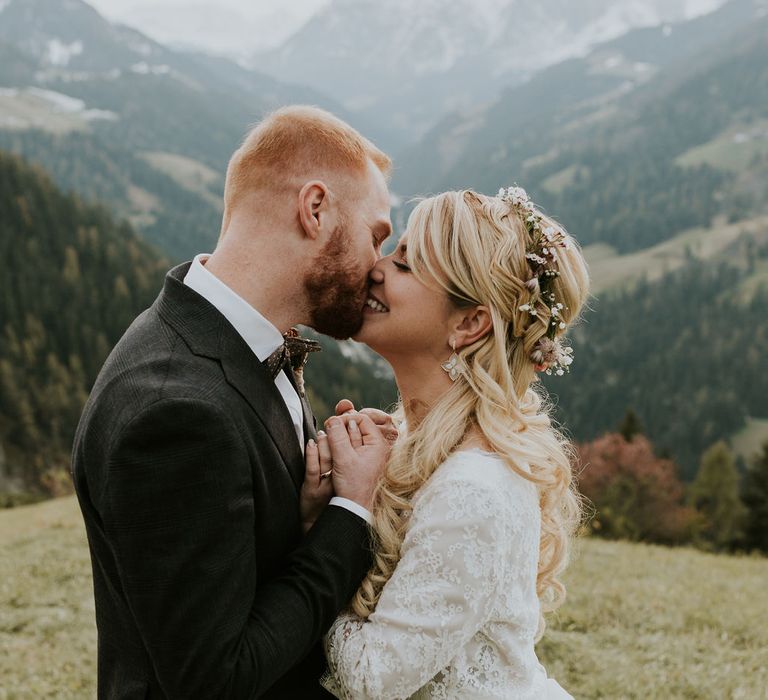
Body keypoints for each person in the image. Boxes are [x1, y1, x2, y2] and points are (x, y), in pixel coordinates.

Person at [71, 105, 396, 698]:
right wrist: (351, 512)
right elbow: (215, 680)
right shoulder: (176, 411)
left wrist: (309, 506)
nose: (379, 268)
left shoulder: (233, 343)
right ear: (315, 208)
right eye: (376, 236)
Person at [318, 187, 590, 699]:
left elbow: (372, 678)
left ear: (468, 324)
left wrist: (324, 525)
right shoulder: (413, 444)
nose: (376, 268)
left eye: (405, 264)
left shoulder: (473, 488)